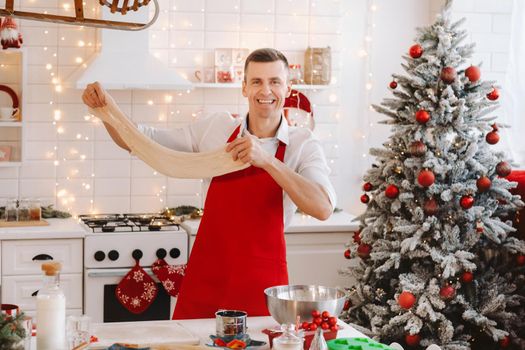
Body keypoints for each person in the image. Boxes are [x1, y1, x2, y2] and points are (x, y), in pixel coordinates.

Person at [82, 48, 336, 319]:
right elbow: (144, 142)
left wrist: (268, 161)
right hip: (207, 274)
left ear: (288, 88)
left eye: (275, 81)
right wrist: (107, 111)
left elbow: (322, 208)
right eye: (257, 81)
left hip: (261, 282)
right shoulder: (217, 128)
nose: (266, 90)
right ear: (244, 88)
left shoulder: (303, 144)